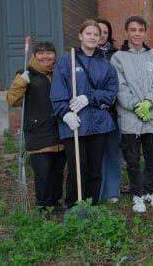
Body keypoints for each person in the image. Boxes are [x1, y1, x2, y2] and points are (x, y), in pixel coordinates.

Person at [50, 20, 119, 208]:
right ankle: (73, 206)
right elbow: (57, 91)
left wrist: (89, 97)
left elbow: (112, 92)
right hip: (75, 124)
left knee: (95, 170)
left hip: (98, 124)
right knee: (77, 168)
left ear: (100, 39)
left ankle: (91, 205)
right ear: (80, 36)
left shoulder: (105, 64)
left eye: (96, 34)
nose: (92, 37)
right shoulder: (66, 61)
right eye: (88, 33)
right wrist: (65, 114)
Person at [111, 16, 153, 213]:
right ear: (126, 32)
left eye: (140, 30)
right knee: (133, 160)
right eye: (132, 30)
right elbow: (119, 86)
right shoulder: (118, 58)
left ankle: (151, 191)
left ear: (145, 32)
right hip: (130, 119)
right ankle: (137, 195)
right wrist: (136, 107)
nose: (136, 33)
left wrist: (149, 103)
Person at [6, 41, 65, 211]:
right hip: (38, 130)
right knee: (43, 172)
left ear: (55, 55)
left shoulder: (60, 72)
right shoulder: (25, 74)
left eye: (49, 53)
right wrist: (20, 83)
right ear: (34, 55)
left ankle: (55, 202)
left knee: (57, 171)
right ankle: (43, 206)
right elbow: (12, 100)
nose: (45, 56)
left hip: (59, 129)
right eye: (41, 53)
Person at [96, 19, 122, 203]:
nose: (102, 35)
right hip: (90, 111)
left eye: (105, 32)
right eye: (98, 31)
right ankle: (96, 190)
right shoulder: (81, 55)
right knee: (95, 154)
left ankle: (112, 191)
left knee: (112, 152)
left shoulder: (116, 55)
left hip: (112, 110)